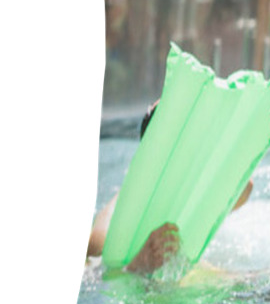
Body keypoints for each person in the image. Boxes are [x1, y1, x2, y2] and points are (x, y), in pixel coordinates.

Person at [86, 101, 253, 274]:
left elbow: (245, 188)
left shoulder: (191, 193)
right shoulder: (116, 216)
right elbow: (95, 270)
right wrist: (139, 264)